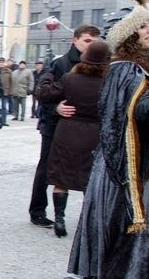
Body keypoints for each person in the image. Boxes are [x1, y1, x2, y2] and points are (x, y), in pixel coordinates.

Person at [66, 0, 149, 279]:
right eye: (143, 26)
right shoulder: (125, 70)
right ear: (127, 36)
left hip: (118, 168)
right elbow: (135, 115)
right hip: (126, 173)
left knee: (105, 236)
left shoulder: (138, 68)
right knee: (126, 240)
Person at [29, 24, 100, 228]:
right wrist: (55, 108)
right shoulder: (61, 63)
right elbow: (42, 92)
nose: (91, 45)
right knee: (46, 167)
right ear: (75, 40)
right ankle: (37, 211)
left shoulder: (101, 65)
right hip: (55, 125)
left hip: (85, 128)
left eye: (95, 42)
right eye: (87, 40)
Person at [38, 41, 109, 238]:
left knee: (62, 178)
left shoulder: (70, 78)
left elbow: (44, 93)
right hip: (95, 134)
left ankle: (59, 219)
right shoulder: (108, 82)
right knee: (90, 180)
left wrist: (46, 76)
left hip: (67, 131)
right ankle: (88, 223)